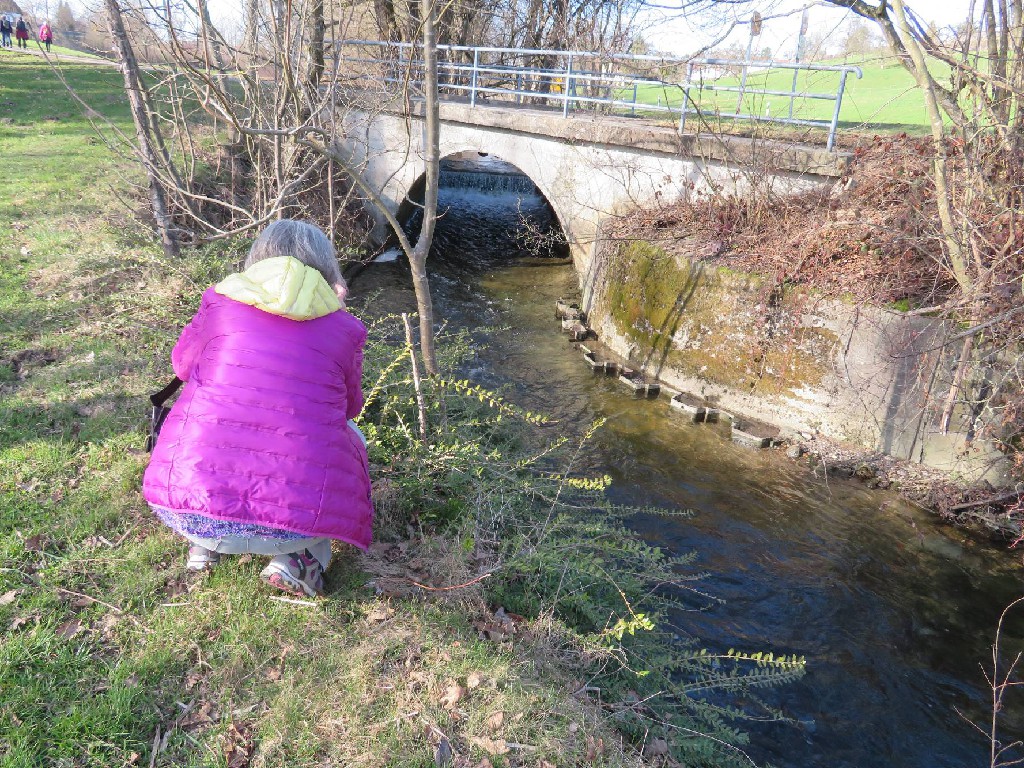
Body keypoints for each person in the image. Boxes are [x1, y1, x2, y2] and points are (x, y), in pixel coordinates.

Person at [142, 220, 374, 597]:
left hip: (184, 509)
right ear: (328, 269)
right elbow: (349, 408)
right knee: (351, 440)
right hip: (289, 526)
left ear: (257, 258)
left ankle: (203, 546)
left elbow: (182, 367)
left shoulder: (219, 303)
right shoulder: (344, 328)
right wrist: (337, 313)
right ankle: (297, 561)